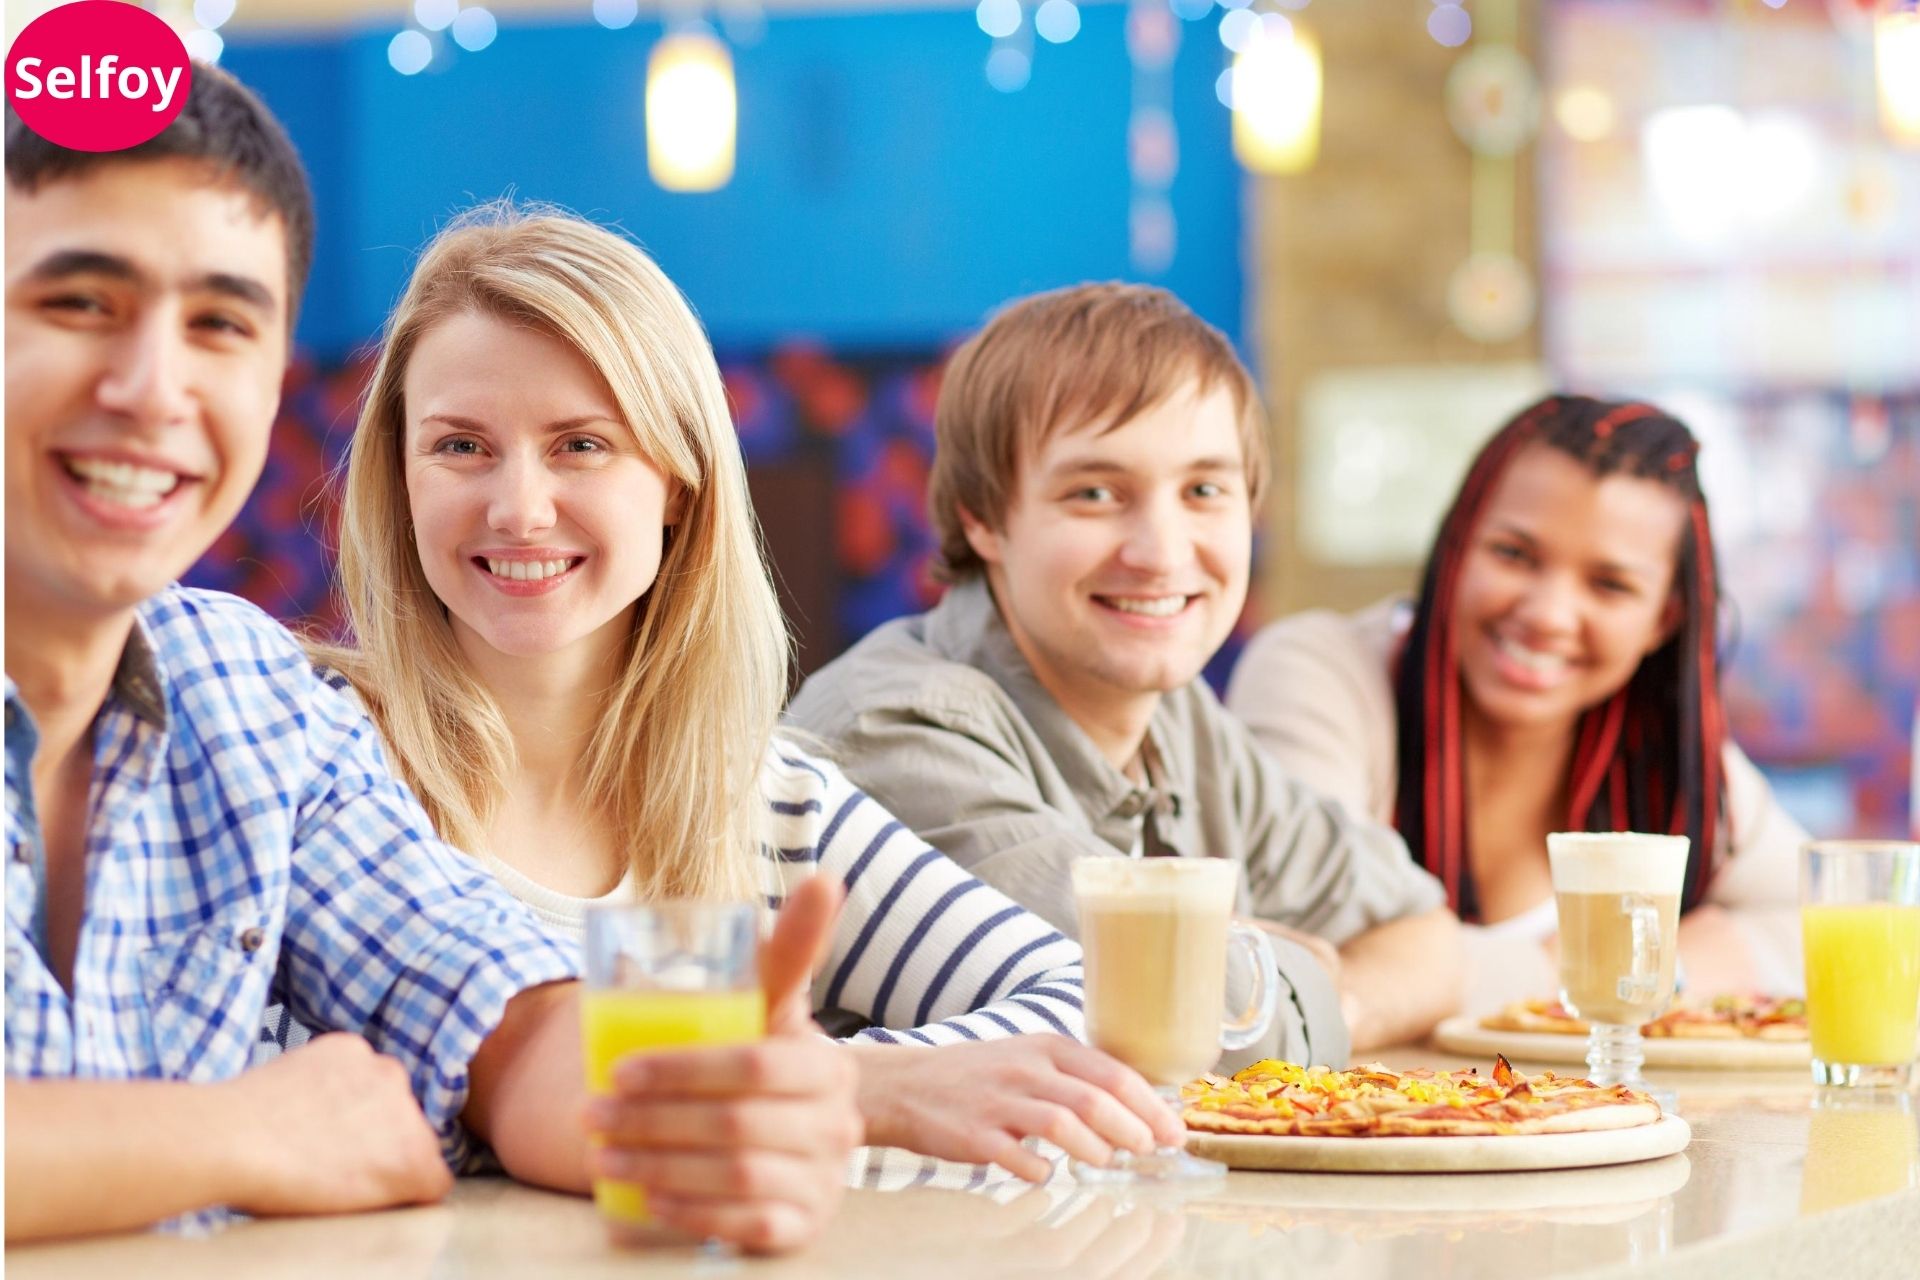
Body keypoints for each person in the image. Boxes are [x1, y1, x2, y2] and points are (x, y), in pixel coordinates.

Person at [4, 68, 859, 1250]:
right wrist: (236, 1132)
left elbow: (491, 1009)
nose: (153, 389)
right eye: (79, 303)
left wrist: (689, 1116)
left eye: (221, 323)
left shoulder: (249, 699)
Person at [310, 205, 1182, 1180]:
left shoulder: (765, 798)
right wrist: (834, 1094)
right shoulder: (320, 771)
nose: (519, 506)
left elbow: (1073, 998)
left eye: (581, 444)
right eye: (461, 446)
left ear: (679, 482)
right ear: (399, 476)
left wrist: (816, 1091)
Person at [788, 283, 1462, 1057]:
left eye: (1204, 490)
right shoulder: (892, 733)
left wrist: (1315, 992)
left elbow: (1426, 936)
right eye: (1097, 493)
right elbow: (1161, 1029)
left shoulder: (1178, 716)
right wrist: (1298, 978)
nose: (1163, 552)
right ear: (983, 517)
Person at [1225, 395, 1805, 1012]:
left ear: (1662, 621)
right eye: (1513, 554)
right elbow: (1306, 962)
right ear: (1456, 548)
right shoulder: (1321, 673)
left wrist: (1660, 965)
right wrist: (1613, 967)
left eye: (1610, 585)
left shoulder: (1662, 749)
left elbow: (1830, 925)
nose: (1548, 615)